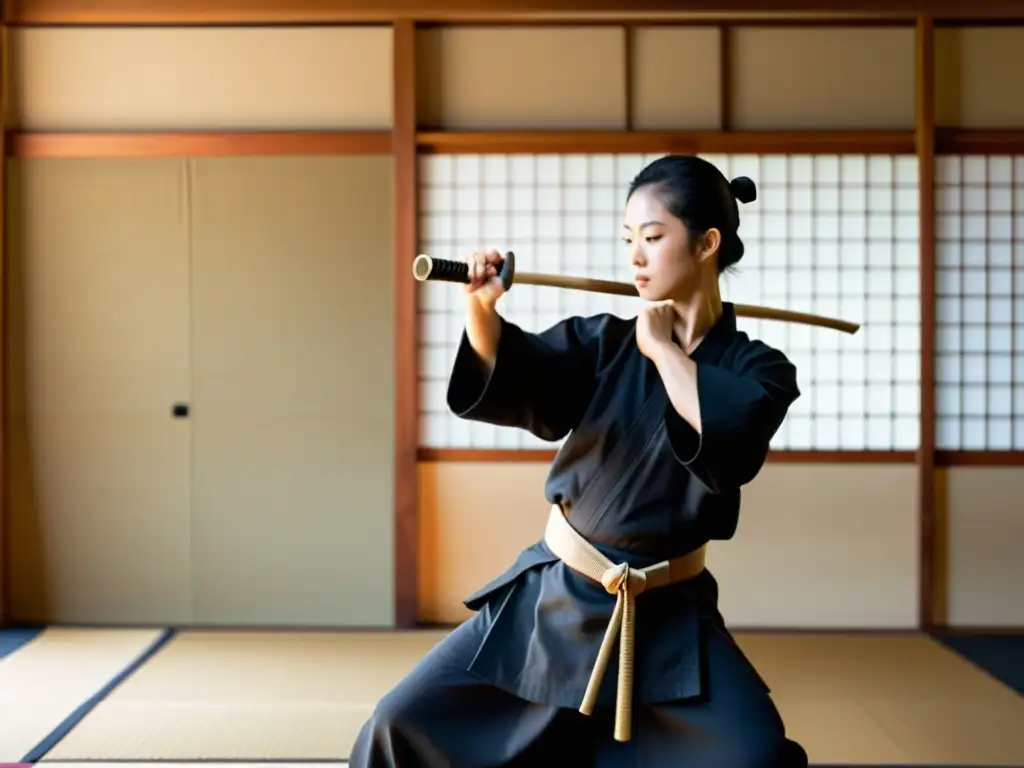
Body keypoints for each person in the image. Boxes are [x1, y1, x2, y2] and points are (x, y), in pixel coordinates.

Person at [350, 155, 808, 767]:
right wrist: (482, 312)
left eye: (652, 237)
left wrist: (666, 354)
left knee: (756, 756)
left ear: (708, 243)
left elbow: (729, 447)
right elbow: (524, 377)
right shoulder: (605, 342)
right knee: (398, 723)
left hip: (667, 618)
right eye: (628, 241)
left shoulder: (761, 370)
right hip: (554, 601)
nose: (635, 257)